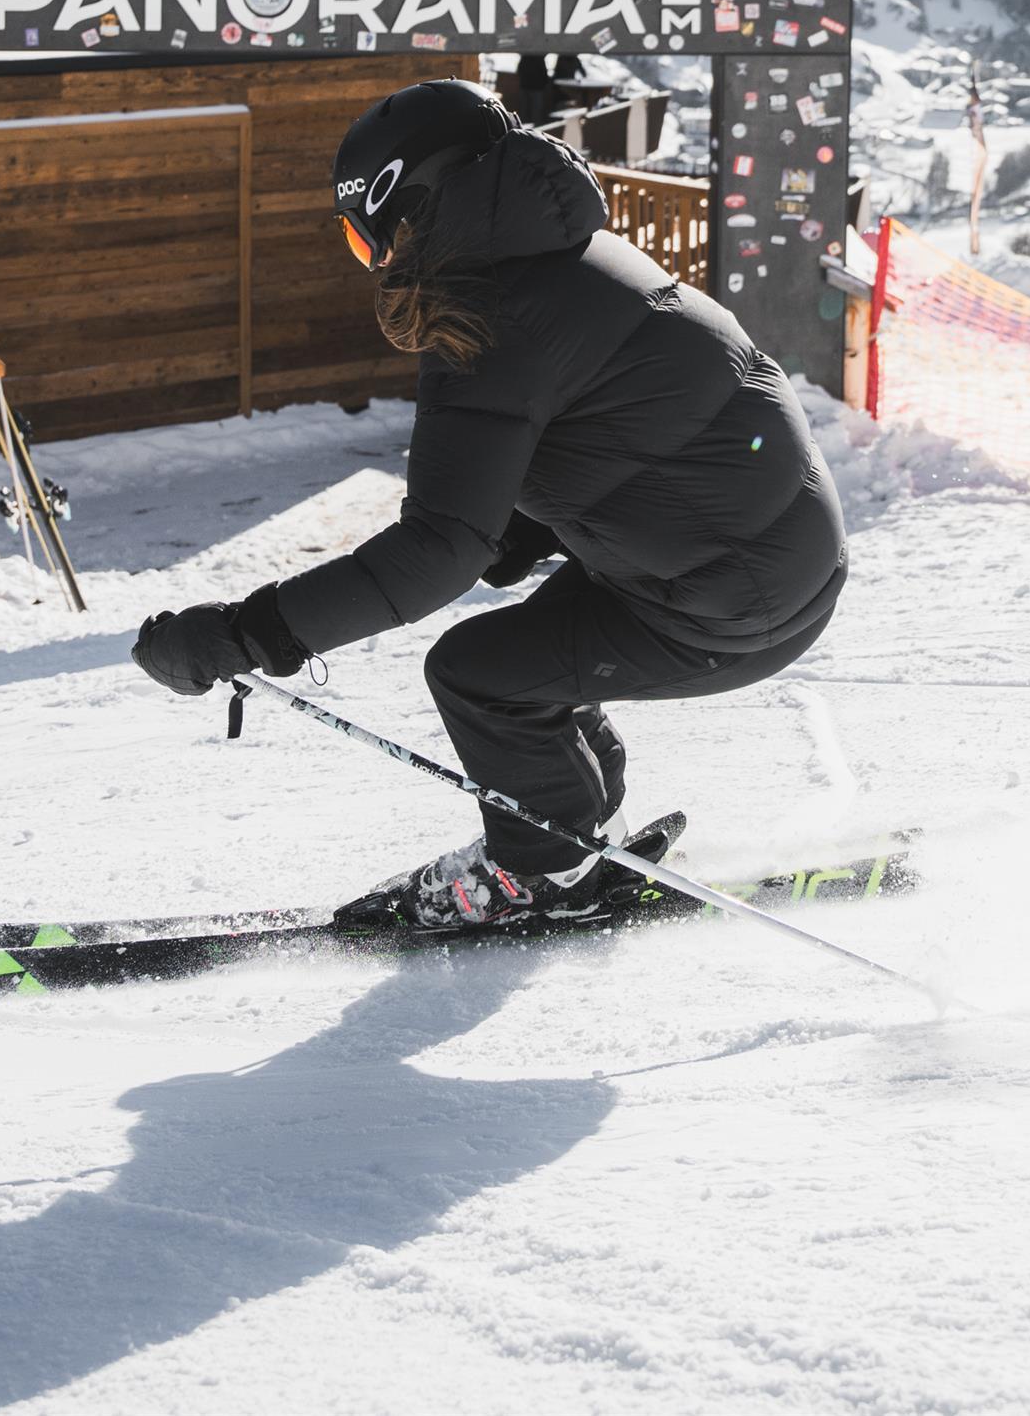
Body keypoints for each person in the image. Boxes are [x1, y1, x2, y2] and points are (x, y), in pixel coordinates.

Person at [133, 78, 848, 929]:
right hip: (767, 562)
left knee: (477, 673)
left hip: (732, 598)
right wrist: (518, 524)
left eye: (364, 239)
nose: (375, 264)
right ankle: (584, 836)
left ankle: (544, 871)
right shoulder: (567, 256)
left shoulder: (486, 316)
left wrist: (243, 633)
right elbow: (634, 430)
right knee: (523, 661)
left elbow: (434, 552)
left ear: (406, 209)